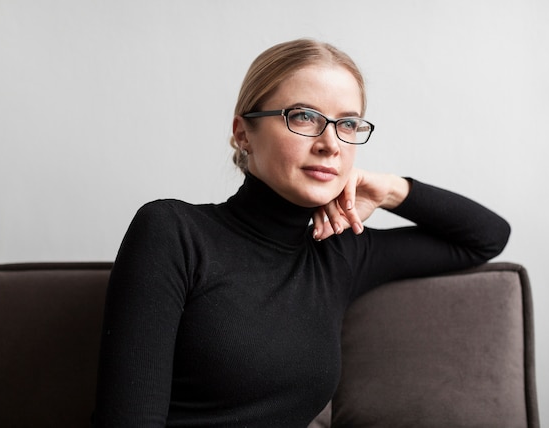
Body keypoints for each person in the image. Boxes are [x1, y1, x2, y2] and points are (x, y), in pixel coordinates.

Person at [92, 38, 510, 427]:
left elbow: (485, 236)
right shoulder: (174, 232)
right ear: (243, 134)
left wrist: (388, 190)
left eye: (348, 124)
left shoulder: (338, 254)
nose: (331, 144)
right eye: (305, 117)